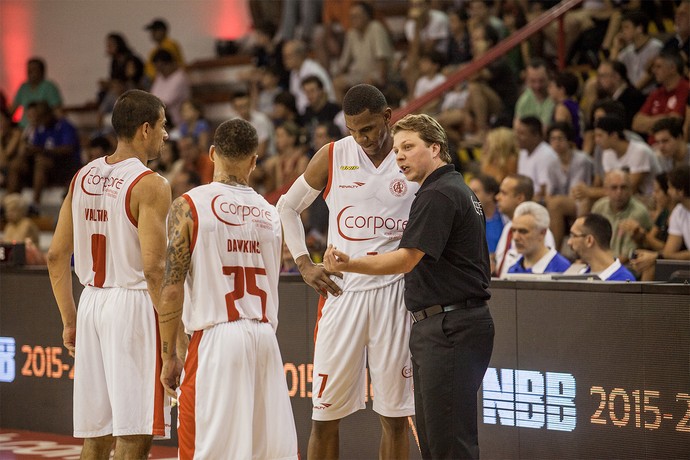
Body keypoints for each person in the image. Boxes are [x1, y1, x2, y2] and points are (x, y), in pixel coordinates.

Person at [323, 113, 494, 459]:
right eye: (397, 148)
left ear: (435, 148)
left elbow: (405, 260)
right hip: (449, 325)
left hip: (449, 327)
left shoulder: (439, 194)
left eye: (408, 147)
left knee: (449, 444)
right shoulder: (453, 189)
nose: (399, 156)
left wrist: (349, 263)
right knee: (438, 440)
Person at [276, 84, 415, 460]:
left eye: (368, 128)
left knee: (395, 418)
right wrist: (304, 263)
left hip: (396, 296)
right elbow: (286, 207)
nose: (361, 137)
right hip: (343, 294)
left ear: (388, 117)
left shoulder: (410, 156)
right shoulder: (333, 154)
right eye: (354, 130)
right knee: (323, 416)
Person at [157, 118, 299, 459]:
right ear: (254, 160)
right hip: (264, 339)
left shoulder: (189, 205)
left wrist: (168, 356)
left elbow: (172, 288)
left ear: (212, 154)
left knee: (205, 450)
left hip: (216, 339)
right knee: (265, 451)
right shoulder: (270, 213)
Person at [46, 89, 172, 458]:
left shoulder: (82, 176)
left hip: (91, 304)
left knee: (97, 434)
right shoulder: (151, 183)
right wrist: (172, 333)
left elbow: (56, 256)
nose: (167, 134)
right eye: (163, 126)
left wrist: (70, 321)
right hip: (132, 306)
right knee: (136, 429)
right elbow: (153, 268)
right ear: (145, 129)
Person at [591, 169, 652, 267]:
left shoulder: (638, 212)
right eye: (614, 188)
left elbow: (627, 255)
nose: (619, 192)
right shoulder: (599, 207)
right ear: (606, 190)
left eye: (623, 187)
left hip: (627, 267)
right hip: (601, 262)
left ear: (630, 190)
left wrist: (602, 266)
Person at [506, 201, 572, 275]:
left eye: (523, 231)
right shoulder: (512, 270)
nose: (515, 237)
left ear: (542, 233)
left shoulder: (562, 270)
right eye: (513, 230)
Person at [567, 213, 636, 281]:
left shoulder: (624, 280)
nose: (569, 242)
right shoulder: (578, 275)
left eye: (574, 236)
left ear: (589, 240)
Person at [10, 57, 63, 128]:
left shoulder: (49, 87)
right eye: (28, 70)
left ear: (42, 71)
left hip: (43, 128)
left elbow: (57, 111)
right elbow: (12, 109)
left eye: (33, 70)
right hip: (23, 128)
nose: (30, 73)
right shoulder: (23, 87)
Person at [662, 164, 690, 260]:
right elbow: (669, 252)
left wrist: (657, 257)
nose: (668, 192)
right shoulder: (678, 212)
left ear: (680, 191)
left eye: (670, 188)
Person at [144, 18, 184, 83]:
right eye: (152, 31)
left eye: (155, 31)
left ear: (163, 31)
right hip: (156, 81)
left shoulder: (169, 45)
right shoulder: (155, 49)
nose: (152, 34)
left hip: (168, 80)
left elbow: (169, 66)